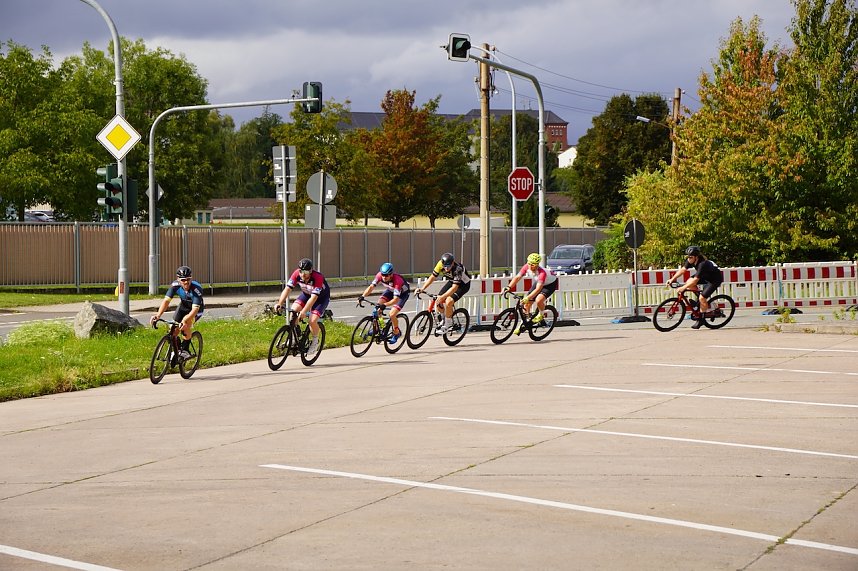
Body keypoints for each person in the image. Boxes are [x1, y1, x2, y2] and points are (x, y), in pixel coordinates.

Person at [274, 257, 330, 354]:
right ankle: (295, 337)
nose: (303, 274)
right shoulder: (296, 274)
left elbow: (314, 298)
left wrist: (304, 311)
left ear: (311, 271)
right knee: (293, 312)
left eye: (306, 272)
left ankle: (315, 341)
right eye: (301, 271)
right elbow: (287, 289)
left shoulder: (317, 277)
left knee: (312, 321)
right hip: (306, 295)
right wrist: (280, 303)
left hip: (320, 299)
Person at [150, 265, 205, 360]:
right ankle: (177, 348)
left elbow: (195, 309)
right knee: (172, 329)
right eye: (183, 280)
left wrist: (185, 320)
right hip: (183, 307)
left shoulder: (196, 289)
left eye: (188, 279)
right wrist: (158, 315)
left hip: (196, 310)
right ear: (178, 279)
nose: (186, 282)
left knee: (186, 324)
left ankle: (186, 350)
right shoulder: (175, 286)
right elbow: (166, 301)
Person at [666, 245, 724, 329]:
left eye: (691, 257)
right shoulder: (691, 260)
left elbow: (695, 280)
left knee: (702, 298)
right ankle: (698, 304)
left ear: (696, 257)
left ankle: (701, 320)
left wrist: (683, 288)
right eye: (688, 257)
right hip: (705, 276)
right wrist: (672, 279)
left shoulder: (702, 264)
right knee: (689, 282)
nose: (689, 259)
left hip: (714, 279)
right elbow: (683, 270)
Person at [414, 252, 471, 333]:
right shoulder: (440, 264)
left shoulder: (458, 269)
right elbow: (432, 277)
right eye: (445, 266)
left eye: (449, 266)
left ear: (453, 263)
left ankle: (448, 324)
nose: (446, 269)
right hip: (452, 281)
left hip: (463, 285)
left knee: (449, 301)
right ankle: (444, 319)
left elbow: (455, 288)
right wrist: (422, 288)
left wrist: (443, 297)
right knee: (438, 300)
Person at [503, 252, 558, 334]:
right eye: (529, 263)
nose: (530, 266)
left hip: (550, 284)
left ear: (537, 265)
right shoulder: (526, 267)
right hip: (539, 282)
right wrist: (509, 287)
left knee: (539, 300)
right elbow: (517, 277)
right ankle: (525, 322)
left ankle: (541, 315)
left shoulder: (542, 273)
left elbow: (539, 289)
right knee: (527, 304)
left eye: (532, 264)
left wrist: (527, 298)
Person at [360, 262, 411, 343]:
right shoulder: (379, 275)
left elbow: (395, 300)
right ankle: (379, 328)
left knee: (392, 314)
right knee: (377, 308)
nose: (384, 277)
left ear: (391, 274)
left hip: (402, 294)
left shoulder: (397, 281)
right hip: (390, 290)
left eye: (386, 275)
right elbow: (371, 287)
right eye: (383, 274)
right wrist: (362, 296)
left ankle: (396, 332)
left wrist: (384, 305)